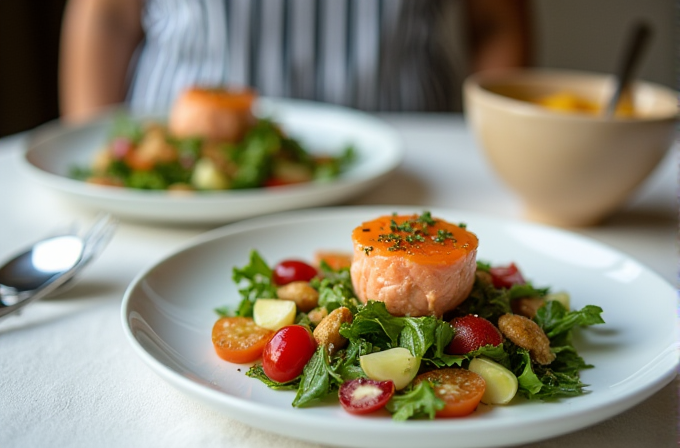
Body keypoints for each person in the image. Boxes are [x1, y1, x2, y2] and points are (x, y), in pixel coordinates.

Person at [59, 0, 532, 122]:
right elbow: (107, 17)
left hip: (409, 155)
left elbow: (494, 20)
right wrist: (100, 156)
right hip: (171, 168)